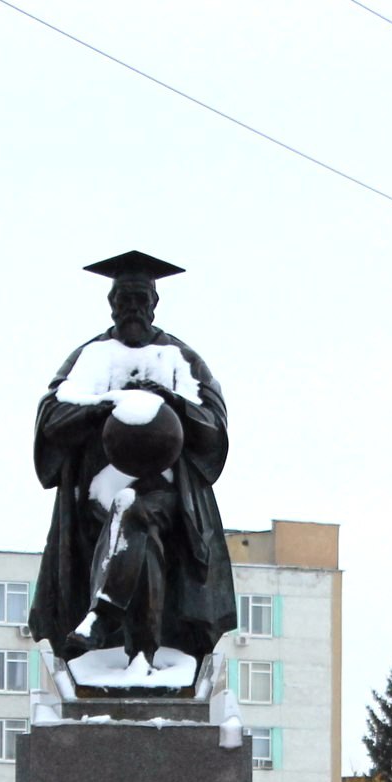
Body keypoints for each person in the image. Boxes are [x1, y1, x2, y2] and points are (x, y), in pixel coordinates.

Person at [26, 251, 237, 671]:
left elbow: (213, 425)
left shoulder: (179, 359)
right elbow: (52, 418)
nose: (133, 309)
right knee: (130, 514)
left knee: (137, 511)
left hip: (167, 493)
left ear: (155, 304)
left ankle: (106, 619)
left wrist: (168, 399)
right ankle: (140, 654)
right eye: (125, 300)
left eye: (141, 299)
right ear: (112, 305)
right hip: (100, 489)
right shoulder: (92, 358)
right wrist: (106, 405)